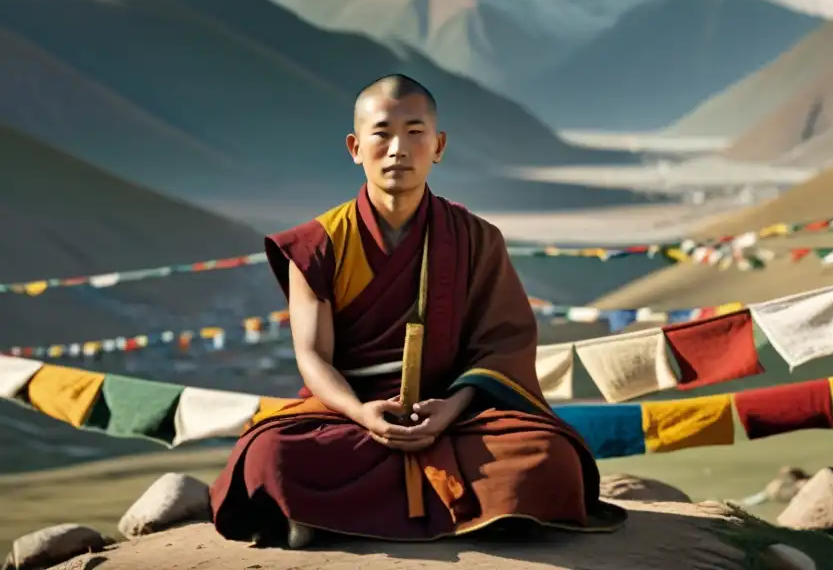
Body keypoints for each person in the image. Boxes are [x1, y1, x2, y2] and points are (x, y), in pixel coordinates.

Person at [209, 74, 626, 547]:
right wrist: (364, 415)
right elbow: (312, 357)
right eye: (382, 133)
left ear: (439, 144)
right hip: (350, 416)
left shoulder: (475, 238)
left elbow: (502, 345)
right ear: (355, 146)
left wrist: (449, 408)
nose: (397, 149)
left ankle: (320, 516)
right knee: (272, 454)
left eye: (415, 132)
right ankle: (491, 512)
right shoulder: (319, 245)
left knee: (549, 456)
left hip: (456, 414)